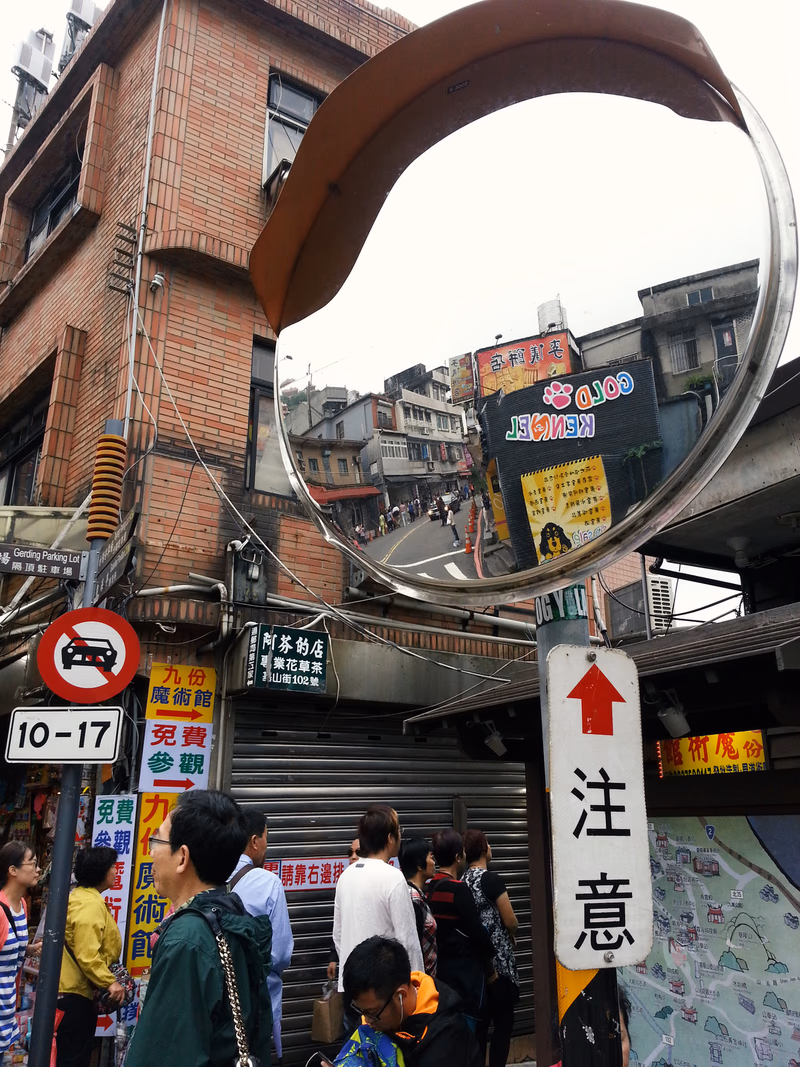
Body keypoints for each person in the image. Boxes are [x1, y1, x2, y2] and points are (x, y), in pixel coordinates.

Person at [126, 790, 272, 1067]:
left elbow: (164, 1056)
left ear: (182, 858)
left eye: (156, 840)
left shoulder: (188, 941)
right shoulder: (230, 914)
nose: (151, 851)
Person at [340, 936, 481, 1066]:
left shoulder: (446, 1037)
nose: (367, 1020)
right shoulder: (374, 1016)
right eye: (361, 1011)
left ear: (401, 995)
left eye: (372, 1012)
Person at [333, 806, 423, 996]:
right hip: (383, 995)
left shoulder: (345, 876)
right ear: (390, 838)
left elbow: (338, 935)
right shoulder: (393, 877)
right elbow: (408, 941)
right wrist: (417, 985)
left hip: (352, 989)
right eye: (399, 831)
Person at [229, 811, 293, 1062]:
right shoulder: (269, 883)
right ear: (255, 841)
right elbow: (280, 955)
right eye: (267, 838)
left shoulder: (210, 874)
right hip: (257, 1005)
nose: (267, 846)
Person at [57, 846, 125, 1067]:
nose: (116, 871)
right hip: (76, 994)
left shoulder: (80, 897)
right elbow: (87, 955)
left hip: (70, 992)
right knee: (75, 1057)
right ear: (100, 871)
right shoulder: (90, 904)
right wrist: (110, 983)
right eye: (112, 867)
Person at [462, 830, 520, 1067]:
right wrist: (513, 934)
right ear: (485, 849)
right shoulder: (492, 880)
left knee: (480, 1027)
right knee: (503, 1025)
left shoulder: (461, 882)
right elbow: (510, 920)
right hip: (499, 965)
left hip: (474, 967)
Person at [425, 830, 493, 1031]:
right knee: (467, 1032)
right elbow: (477, 931)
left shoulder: (430, 888)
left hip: (441, 973)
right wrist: (491, 961)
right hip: (465, 974)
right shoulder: (458, 889)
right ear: (458, 857)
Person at [0, 843, 41, 1054]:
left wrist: (29, 949)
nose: (38, 869)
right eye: (33, 863)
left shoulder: (22, 905)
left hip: (7, 1012)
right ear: (12, 870)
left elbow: (8, 946)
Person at [398, 838, 436, 977]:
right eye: (430, 857)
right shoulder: (413, 898)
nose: (434, 862)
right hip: (420, 980)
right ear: (419, 865)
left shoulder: (411, 893)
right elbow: (414, 947)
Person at [328, 838, 361, 983]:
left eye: (358, 852)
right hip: (349, 960)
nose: (353, 856)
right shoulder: (344, 882)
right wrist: (334, 958)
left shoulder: (376, 883)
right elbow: (339, 923)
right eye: (350, 852)